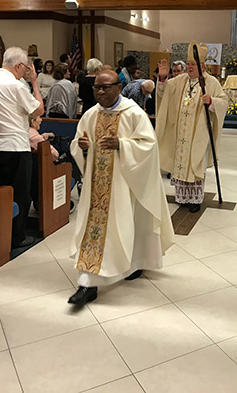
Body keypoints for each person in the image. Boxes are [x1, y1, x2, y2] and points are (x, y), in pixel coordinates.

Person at [68, 70, 174, 306]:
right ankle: (88, 283)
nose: (101, 92)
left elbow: (149, 146)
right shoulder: (90, 115)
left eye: (106, 87)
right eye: (97, 88)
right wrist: (82, 146)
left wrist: (121, 145)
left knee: (132, 223)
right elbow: (78, 143)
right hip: (96, 187)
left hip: (126, 181)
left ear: (119, 87)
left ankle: (134, 263)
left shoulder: (134, 113)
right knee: (94, 230)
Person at [156, 42, 227, 213]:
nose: (189, 67)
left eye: (192, 64)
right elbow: (163, 94)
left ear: (202, 66)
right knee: (180, 163)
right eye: (188, 64)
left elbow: (224, 101)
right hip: (180, 132)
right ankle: (182, 197)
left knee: (195, 164)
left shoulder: (211, 82)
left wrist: (211, 101)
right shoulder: (179, 81)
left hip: (199, 132)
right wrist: (163, 79)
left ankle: (195, 200)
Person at [0, 47, 44, 247]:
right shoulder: (16, 86)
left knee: (0, 194)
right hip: (16, 146)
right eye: (25, 68)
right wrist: (34, 81)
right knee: (20, 194)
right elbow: (39, 109)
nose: (25, 72)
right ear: (18, 66)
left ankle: (0, 234)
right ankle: (16, 237)